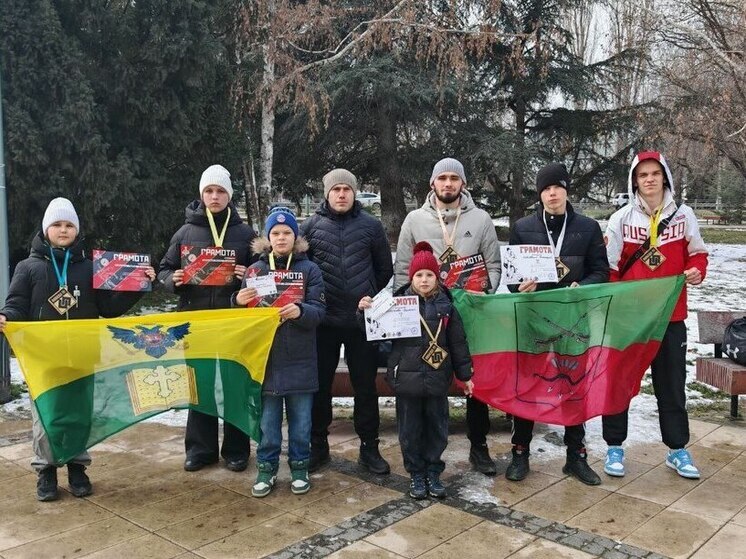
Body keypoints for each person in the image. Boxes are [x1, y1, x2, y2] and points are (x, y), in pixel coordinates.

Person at [0, 197, 155, 501]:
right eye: (57, 224)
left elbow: (108, 308)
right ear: (46, 229)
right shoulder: (28, 267)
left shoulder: (90, 267)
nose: (63, 229)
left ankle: (77, 468)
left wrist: (138, 286)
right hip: (44, 359)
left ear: (77, 230)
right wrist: (7, 316)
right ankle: (45, 471)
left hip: (83, 358)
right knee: (47, 417)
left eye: (69, 225)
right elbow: (17, 304)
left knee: (79, 415)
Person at [602, 151, 707, 479]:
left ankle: (677, 449)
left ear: (665, 178)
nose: (649, 179)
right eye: (642, 175)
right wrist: (619, 306)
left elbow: (699, 254)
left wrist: (695, 271)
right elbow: (611, 268)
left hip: (671, 318)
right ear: (635, 180)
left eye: (654, 174)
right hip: (631, 320)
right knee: (620, 382)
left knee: (672, 385)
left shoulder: (684, 215)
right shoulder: (621, 219)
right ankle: (614, 446)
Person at [394, 157, 501, 475]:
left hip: (469, 313)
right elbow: (402, 271)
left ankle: (478, 446)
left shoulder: (481, 219)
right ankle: (420, 460)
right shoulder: (414, 220)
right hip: (426, 317)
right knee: (427, 381)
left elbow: (493, 266)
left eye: (455, 178)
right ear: (432, 184)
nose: (448, 183)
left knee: (473, 378)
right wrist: (408, 308)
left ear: (463, 184)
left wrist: (488, 289)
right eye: (443, 178)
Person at [506, 162, 609, 485]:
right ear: (540, 195)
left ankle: (575, 456)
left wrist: (585, 285)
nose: (552, 193)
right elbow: (512, 279)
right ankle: (520, 452)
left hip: (573, 318)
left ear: (566, 190)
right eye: (546, 189)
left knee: (573, 384)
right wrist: (521, 284)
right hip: (534, 318)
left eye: (558, 187)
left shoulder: (588, 227)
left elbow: (600, 272)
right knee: (529, 384)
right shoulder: (523, 227)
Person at [158, 164, 257, 473]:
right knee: (198, 385)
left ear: (229, 195)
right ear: (201, 194)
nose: (215, 196)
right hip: (195, 319)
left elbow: (263, 274)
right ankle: (200, 450)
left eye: (221, 191)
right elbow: (163, 269)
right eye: (209, 191)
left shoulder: (245, 233)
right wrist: (171, 279)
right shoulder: (185, 232)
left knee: (234, 385)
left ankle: (237, 450)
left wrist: (248, 275)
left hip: (234, 321)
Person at [360, 242, 474, 499]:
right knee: (409, 431)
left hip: (437, 379)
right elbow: (372, 332)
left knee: (437, 428)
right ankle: (416, 474)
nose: (424, 280)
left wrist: (465, 377)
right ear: (411, 277)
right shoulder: (396, 303)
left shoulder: (447, 307)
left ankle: (433, 471)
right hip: (407, 380)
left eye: (429, 275)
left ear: (437, 277)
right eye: (419, 275)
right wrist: (364, 312)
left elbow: (458, 343)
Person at [299, 168, 393, 474]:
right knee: (319, 386)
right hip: (323, 323)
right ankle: (318, 445)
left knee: (365, 386)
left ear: (354, 193)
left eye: (347, 189)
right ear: (326, 194)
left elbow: (384, 268)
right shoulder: (311, 227)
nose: (341, 194)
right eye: (336, 189)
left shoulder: (371, 226)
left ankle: (369, 448)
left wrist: (369, 296)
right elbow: (301, 270)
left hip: (360, 321)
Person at [234, 207, 325, 497]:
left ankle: (299, 467)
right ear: (268, 237)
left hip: (301, 359)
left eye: (287, 233)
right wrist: (238, 300)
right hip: (267, 361)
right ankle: (266, 468)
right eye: (276, 233)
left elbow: (320, 311)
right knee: (268, 424)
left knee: (301, 423)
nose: (282, 237)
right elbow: (241, 316)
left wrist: (301, 311)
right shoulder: (256, 270)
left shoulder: (309, 269)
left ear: (296, 237)